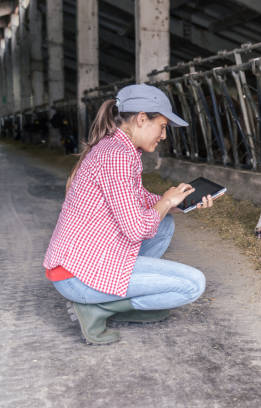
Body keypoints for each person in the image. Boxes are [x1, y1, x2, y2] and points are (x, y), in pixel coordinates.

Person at [43, 84, 212, 345]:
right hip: (77, 277)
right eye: (163, 126)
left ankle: (115, 297)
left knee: (164, 222)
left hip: (80, 265)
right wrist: (166, 201)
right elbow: (137, 229)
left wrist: (180, 202)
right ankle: (99, 307)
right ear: (142, 118)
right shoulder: (117, 156)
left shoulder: (118, 149)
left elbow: (144, 201)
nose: (164, 135)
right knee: (193, 285)